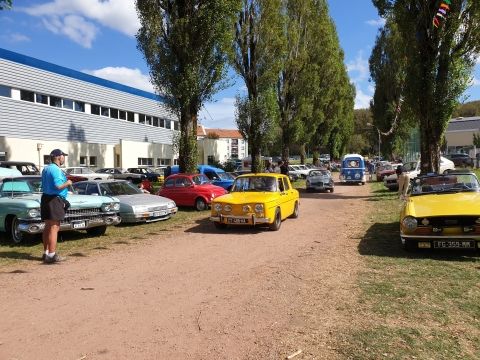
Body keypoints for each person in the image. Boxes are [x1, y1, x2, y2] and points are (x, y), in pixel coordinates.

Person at [41, 149, 72, 263]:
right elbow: (58, 186)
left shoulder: (46, 168)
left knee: (48, 226)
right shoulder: (56, 170)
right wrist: (68, 183)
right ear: (59, 157)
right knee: (54, 227)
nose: (64, 158)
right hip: (54, 199)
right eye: (63, 156)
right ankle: (52, 255)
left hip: (46, 198)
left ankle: (46, 253)